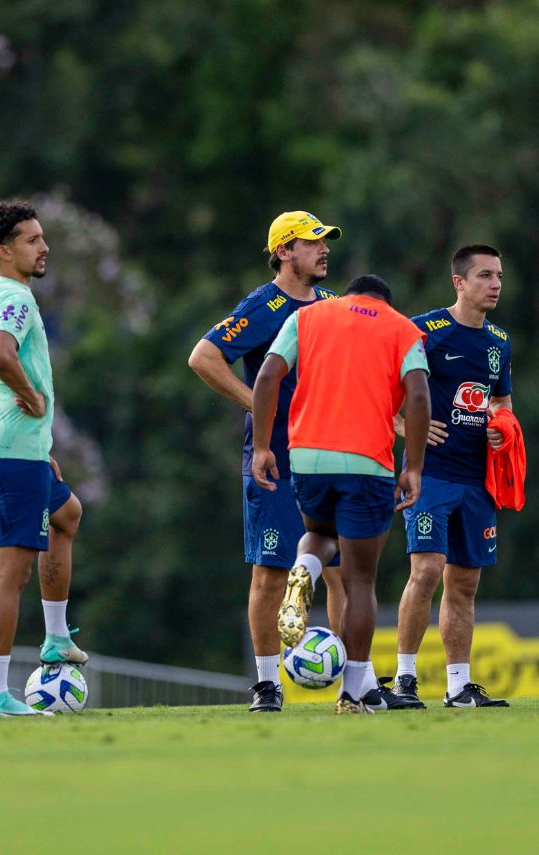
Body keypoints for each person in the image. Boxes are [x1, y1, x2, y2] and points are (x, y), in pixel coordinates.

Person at [188, 210, 347, 713]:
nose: (324, 250)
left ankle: (353, 686)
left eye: (325, 242)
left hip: (330, 454)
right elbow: (204, 357)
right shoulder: (266, 303)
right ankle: (265, 684)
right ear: (284, 251)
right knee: (270, 573)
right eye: (312, 242)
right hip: (274, 459)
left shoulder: (331, 305)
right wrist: (260, 407)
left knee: (344, 573)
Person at [252, 273, 430, 714]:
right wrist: (414, 467)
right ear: (384, 301)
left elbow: (267, 376)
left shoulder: (307, 316)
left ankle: (304, 570)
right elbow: (420, 397)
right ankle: (351, 693)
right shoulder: (401, 327)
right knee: (359, 581)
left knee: (319, 530)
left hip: (308, 457)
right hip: (367, 461)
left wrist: (259, 447)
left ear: (350, 295)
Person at [0, 200, 86, 718]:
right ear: (5, 250)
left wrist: (42, 449)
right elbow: (0, 352)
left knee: (68, 514)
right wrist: (31, 396)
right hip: (11, 451)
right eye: (33, 240)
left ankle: (56, 638)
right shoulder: (14, 297)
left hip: (20, 449)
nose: (44, 247)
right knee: (9, 575)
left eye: (43, 237)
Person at [391, 245, 514, 709]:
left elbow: (501, 404)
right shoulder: (424, 331)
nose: (495, 284)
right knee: (425, 571)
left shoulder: (500, 341)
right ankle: (404, 680)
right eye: (484, 275)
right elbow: (381, 386)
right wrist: (403, 426)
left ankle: (459, 687)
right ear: (458, 282)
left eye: (499, 275)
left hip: (478, 479)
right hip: (432, 474)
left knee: (464, 583)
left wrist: (503, 428)